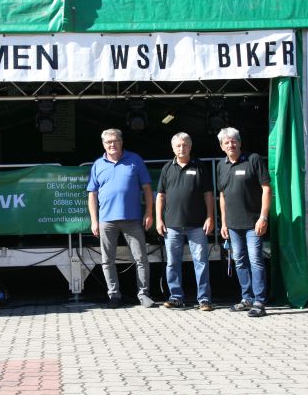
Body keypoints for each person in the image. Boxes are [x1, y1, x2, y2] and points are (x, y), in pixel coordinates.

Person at [87, 128, 155, 308]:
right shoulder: (98, 165)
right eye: (108, 142)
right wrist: (94, 220)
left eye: (115, 141)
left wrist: (149, 212)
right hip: (106, 220)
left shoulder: (135, 160)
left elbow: (147, 189)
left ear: (121, 141)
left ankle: (143, 294)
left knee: (141, 259)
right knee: (107, 260)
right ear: (103, 144)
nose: (112, 144)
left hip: (133, 219)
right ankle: (114, 296)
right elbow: (92, 194)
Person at [155, 132, 214, 311]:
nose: (182, 148)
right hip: (172, 225)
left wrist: (210, 217)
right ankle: (176, 297)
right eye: (178, 145)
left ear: (190, 146)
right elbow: (160, 196)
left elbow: (208, 194)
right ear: (173, 148)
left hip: (197, 224)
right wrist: (159, 219)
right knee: (172, 263)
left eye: (185, 145)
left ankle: (204, 300)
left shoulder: (200, 166)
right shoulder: (167, 168)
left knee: (201, 262)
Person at [217, 127, 271, 318]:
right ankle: (247, 298)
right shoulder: (221, 165)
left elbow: (266, 189)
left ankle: (259, 302)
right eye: (226, 142)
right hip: (233, 225)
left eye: (234, 141)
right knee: (239, 261)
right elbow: (222, 195)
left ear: (240, 143)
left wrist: (263, 217)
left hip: (253, 223)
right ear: (222, 146)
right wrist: (224, 223)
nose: (230, 145)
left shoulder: (253, 159)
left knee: (255, 260)